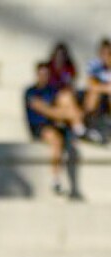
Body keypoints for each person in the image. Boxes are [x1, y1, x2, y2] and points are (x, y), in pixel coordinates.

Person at [25, 62, 100, 196]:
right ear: (36, 74)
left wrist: (68, 112)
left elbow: (61, 104)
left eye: (46, 74)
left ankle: (79, 127)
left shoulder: (52, 90)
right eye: (41, 74)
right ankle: (56, 179)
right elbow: (45, 110)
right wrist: (70, 114)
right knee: (56, 140)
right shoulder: (31, 92)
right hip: (40, 127)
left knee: (67, 97)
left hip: (57, 124)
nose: (43, 76)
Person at [83, 39, 111, 118]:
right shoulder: (94, 64)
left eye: (108, 53)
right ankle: (88, 118)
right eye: (103, 53)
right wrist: (105, 88)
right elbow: (90, 84)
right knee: (93, 93)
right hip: (99, 91)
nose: (105, 56)